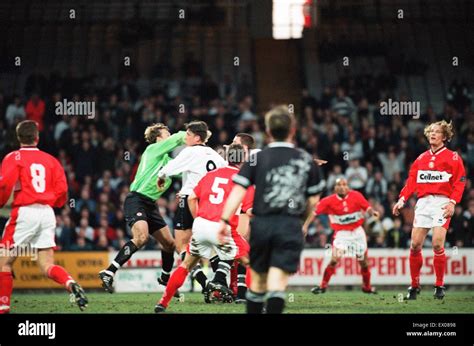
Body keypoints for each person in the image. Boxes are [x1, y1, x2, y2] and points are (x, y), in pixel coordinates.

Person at [218, 105, 324, 314]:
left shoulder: (256, 159)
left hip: (262, 225)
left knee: (257, 284)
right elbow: (313, 201)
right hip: (289, 225)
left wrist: (223, 221)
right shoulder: (304, 160)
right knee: (277, 284)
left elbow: (238, 191)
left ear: (267, 132)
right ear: (293, 130)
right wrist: (302, 222)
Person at [0, 120, 87, 313]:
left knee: (3, 263)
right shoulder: (51, 160)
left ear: (18, 138)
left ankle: (3, 308)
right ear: (37, 138)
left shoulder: (13, 157)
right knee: (47, 264)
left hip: (25, 210)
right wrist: (51, 203)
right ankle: (70, 283)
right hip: (47, 213)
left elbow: (5, 185)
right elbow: (63, 190)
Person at [154, 144, 253, 313]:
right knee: (251, 263)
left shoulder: (210, 175)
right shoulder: (242, 180)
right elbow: (250, 211)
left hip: (200, 225)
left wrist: (199, 218)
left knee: (186, 265)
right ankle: (256, 304)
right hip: (223, 228)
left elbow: (192, 198)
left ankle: (162, 303)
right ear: (243, 159)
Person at [99, 124, 185, 292]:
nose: (170, 134)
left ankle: (164, 278)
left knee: (169, 243)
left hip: (151, 205)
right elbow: (177, 139)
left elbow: (185, 171)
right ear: (158, 137)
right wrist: (190, 134)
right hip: (136, 200)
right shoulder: (153, 149)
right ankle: (109, 272)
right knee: (141, 237)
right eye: (167, 132)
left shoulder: (168, 162)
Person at [392, 120, 466, 300]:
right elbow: (411, 182)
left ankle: (439, 285)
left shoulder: (453, 157)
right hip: (423, 203)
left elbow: (460, 182)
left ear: (445, 136)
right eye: (431, 131)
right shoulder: (421, 158)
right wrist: (402, 199)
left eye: (437, 132)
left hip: (442, 203)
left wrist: (452, 203)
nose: (433, 134)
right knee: (415, 245)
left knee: (437, 244)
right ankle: (414, 286)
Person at [157, 121, 227, 262]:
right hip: (211, 203)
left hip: (190, 200)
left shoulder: (190, 151)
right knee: (209, 244)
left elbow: (168, 169)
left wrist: (161, 177)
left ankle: (202, 279)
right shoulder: (216, 155)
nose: (185, 138)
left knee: (181, 245)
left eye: (188, 135)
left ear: (197, 138)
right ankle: (218, 279)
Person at [303, 178, 379, 294]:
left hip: (357, 233)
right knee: (334, 259)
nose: (342, 187)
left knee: (363, 262)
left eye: (345, 184)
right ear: (335, 188)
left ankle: (367, 287)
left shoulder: (356, 195)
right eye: (339, 185)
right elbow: (314, 212)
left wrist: (372, 212)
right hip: (342, 234)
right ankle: (323, 286)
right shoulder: (328, 201)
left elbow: (367, 207)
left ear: (348, 186)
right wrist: (305, 226)